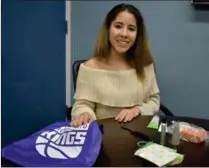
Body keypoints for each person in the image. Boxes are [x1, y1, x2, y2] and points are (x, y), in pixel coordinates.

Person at [71, 3, 160, 127]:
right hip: (104, 136)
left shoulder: (145, 65)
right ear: (108, 29)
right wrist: (84, 114)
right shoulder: (89, 67)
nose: (124, 33)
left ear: (137, 34)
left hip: (142, 133)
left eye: (131, 29)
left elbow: (154, 100)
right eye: (118, 26)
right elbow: (82, 105)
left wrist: (138, 110)